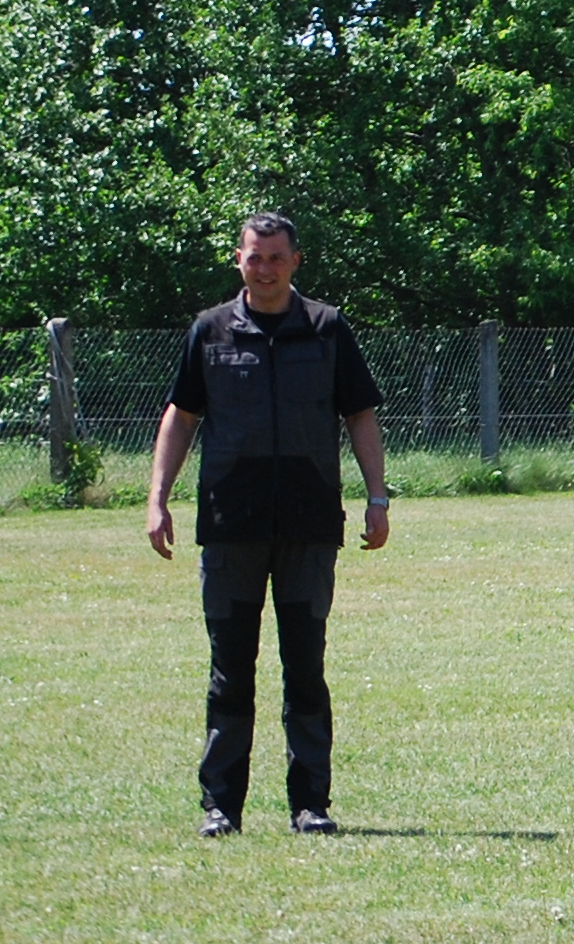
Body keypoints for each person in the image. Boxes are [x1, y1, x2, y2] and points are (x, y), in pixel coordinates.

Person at [145, 213, 390, 835]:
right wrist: (158, 498)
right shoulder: (210, 331)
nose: (266, 268)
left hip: (309, 523)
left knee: (305, 667)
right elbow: (181, 415)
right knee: (231, 670)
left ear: (295, 261)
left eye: (277, 257)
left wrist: (377, 497)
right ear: (239, 259)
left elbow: (360, 414)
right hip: (231, 524)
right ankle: (221, 808)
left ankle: (310, 806)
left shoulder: (327, 329)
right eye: (255, 257)